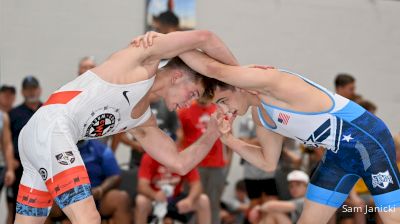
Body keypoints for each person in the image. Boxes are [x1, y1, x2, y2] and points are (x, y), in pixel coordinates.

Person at [135, 31, 400, 223]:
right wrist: (229, 141)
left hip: (368, 141)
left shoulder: (267, 81)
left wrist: (163, 42)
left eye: (224, 101)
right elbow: (267, 163)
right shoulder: (263, 117)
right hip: (338, 156)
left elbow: (213, 68)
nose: (226, 111)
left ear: (238, 86)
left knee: (390, 218)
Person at [15, 30, 237, 224]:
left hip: (36, 138)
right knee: (89, 218)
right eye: (193, 94)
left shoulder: (142, 122)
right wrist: (242, 82)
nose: (189, 103)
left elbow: (180, 164)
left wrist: (213, 132)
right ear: (177, 77)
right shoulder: (141, 61)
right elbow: (205, 37)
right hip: (52, 127)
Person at [45, 140, 131, 224]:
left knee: (121, 198)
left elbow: (115, 175)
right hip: (64, 199)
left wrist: (100, 190)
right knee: (41, 202)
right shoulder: (52, 150)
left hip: (96, 197)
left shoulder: (100, 148)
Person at [178, 99, 232, 224]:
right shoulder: (184, 111)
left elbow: (229, 135)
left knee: (214, 204)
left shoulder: (219, 110)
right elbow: (180, 138)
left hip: (216, 166)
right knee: (193, 203)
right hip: (194, 166)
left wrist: (228, 158)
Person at [135, 153, 211, 224]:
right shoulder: (149, 156)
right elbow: (142, 186)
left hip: (175, 198)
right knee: (141, 201)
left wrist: (189, 200)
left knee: (203, 200)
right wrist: (155, 195)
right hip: (154, 200)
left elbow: (197, 185)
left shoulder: (183, 157)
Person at [8, 76, 42, 224]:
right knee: (18, 208)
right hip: (20, 169)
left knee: (45, 208)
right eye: (28, 89)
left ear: (39, 89)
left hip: (43, 168)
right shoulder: (13, 113)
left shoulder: (47, 109)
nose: (31, 92)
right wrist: (10, 162)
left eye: (34, 88)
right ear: (22, 92)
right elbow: (6, 142)